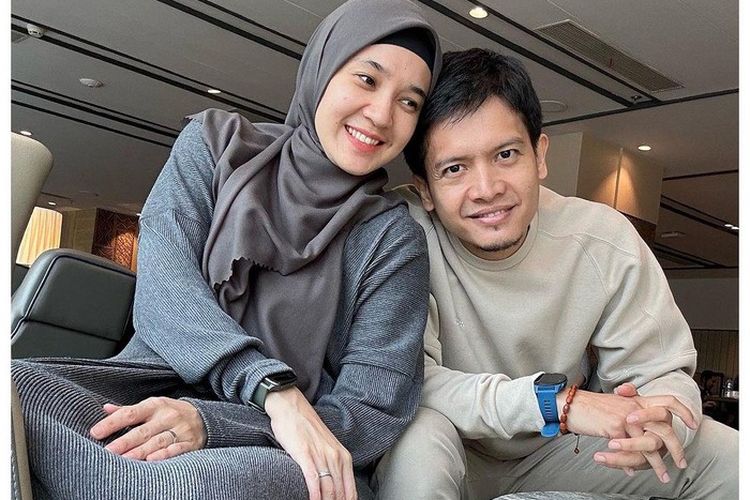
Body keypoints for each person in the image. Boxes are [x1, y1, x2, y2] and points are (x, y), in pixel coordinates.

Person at [11, 1, 442, 499]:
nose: (382, 114)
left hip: (281, 449)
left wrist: (214, 422)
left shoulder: (392, 238)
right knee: (16, 388)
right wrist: (271, 389)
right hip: (150, 392)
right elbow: (164, 294)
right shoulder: (215, 146)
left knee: (188, 484)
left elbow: (371, 411)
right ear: (322, 70)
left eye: (409, 102)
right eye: (367, 80)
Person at [374, 48, 738, 499]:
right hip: (450, 446)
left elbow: (660, 371)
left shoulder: (601, 237)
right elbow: (409, 382)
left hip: (556, 452)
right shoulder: (399, 232)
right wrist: (555, 403)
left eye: (506, 154)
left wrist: (655, 423)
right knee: (418, 438)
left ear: (540, 156)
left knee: (729, 457)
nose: (486, 189)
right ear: (425, 189)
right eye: (454, 169)